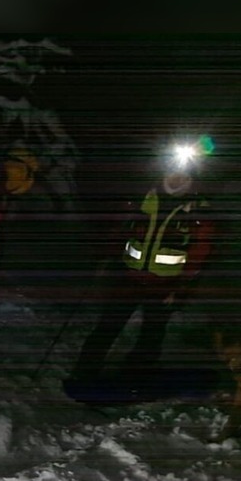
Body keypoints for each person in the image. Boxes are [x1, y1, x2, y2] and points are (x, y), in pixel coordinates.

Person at [67, 140, 214, 390]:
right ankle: (83, 375)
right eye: (172, 173)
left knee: (151, 336)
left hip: (165, 285)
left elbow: (200, 253)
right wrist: (106, 255)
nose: (176, 179)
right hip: (130, 278)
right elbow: (120, 230)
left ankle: (134, 380)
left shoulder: (198, 211)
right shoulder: (143, 199)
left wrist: (180, 289)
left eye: (183, 176)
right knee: (107, 327)